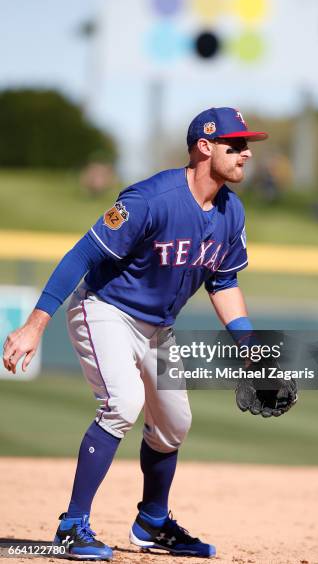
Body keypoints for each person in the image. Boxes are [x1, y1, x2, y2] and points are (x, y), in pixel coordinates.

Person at [2, 107, 297, 560]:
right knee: (122, 401)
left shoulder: (230, 212)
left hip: (158, 328)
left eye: (246, 147)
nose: (245, 155)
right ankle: (71, 525)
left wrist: (250, 349)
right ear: (204, 147)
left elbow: (224, 282)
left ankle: (152, 522)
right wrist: (35, 323)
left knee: (175, 424)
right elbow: (82, 254)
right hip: (105, 309)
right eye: (235, 145)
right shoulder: (151, 199)